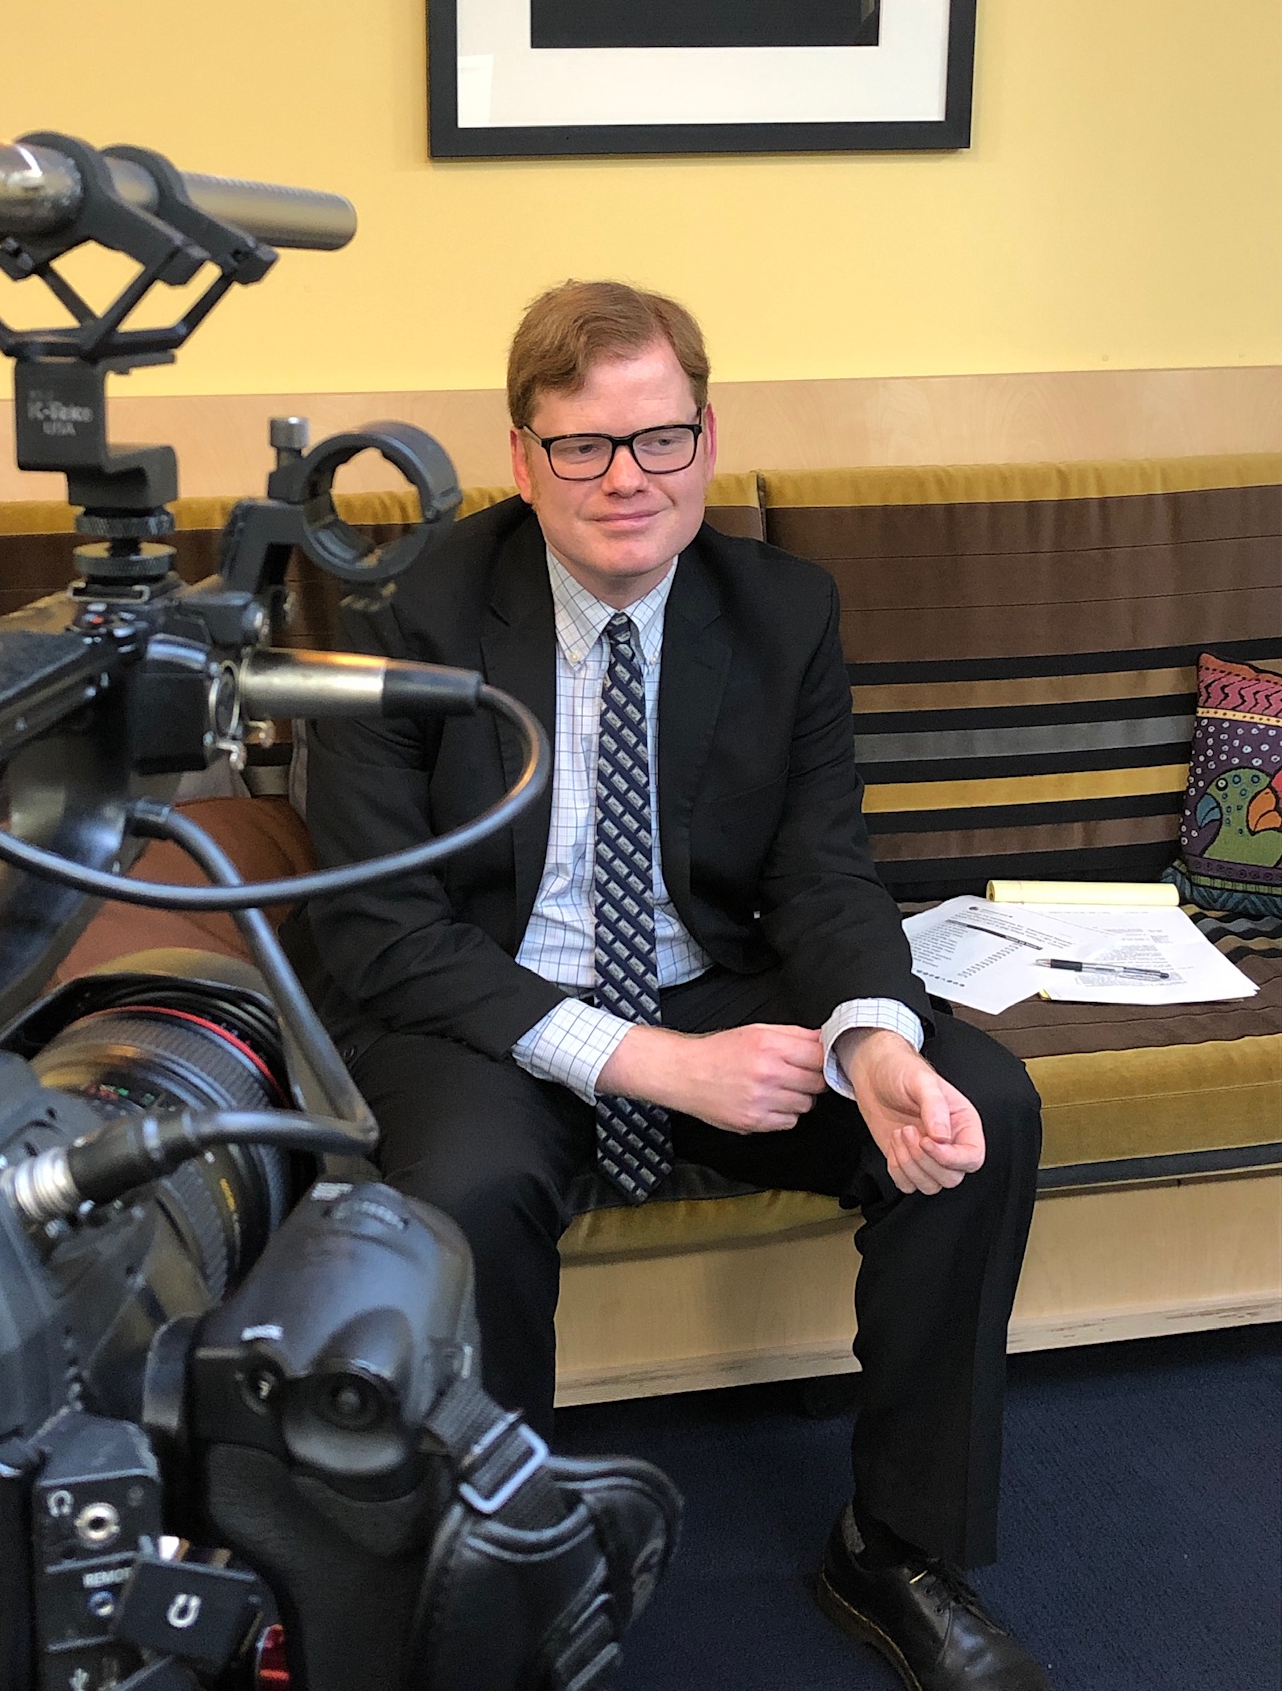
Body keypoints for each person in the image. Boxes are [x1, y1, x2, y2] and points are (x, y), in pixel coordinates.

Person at [292, 281, 1049, 1690]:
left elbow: (823, 872)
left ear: (707, 435)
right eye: (582, 446)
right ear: (519, 458)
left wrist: (874, 1039)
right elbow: (382, 931)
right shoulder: (402, 610)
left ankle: (893, 1542)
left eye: (659, 437)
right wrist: (636, 1060)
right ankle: (495, 1567)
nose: (626, 478)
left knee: (974, 1111)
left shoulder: (780, 607)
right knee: (463, 1192)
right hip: (481, 1004)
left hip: (707, 987)